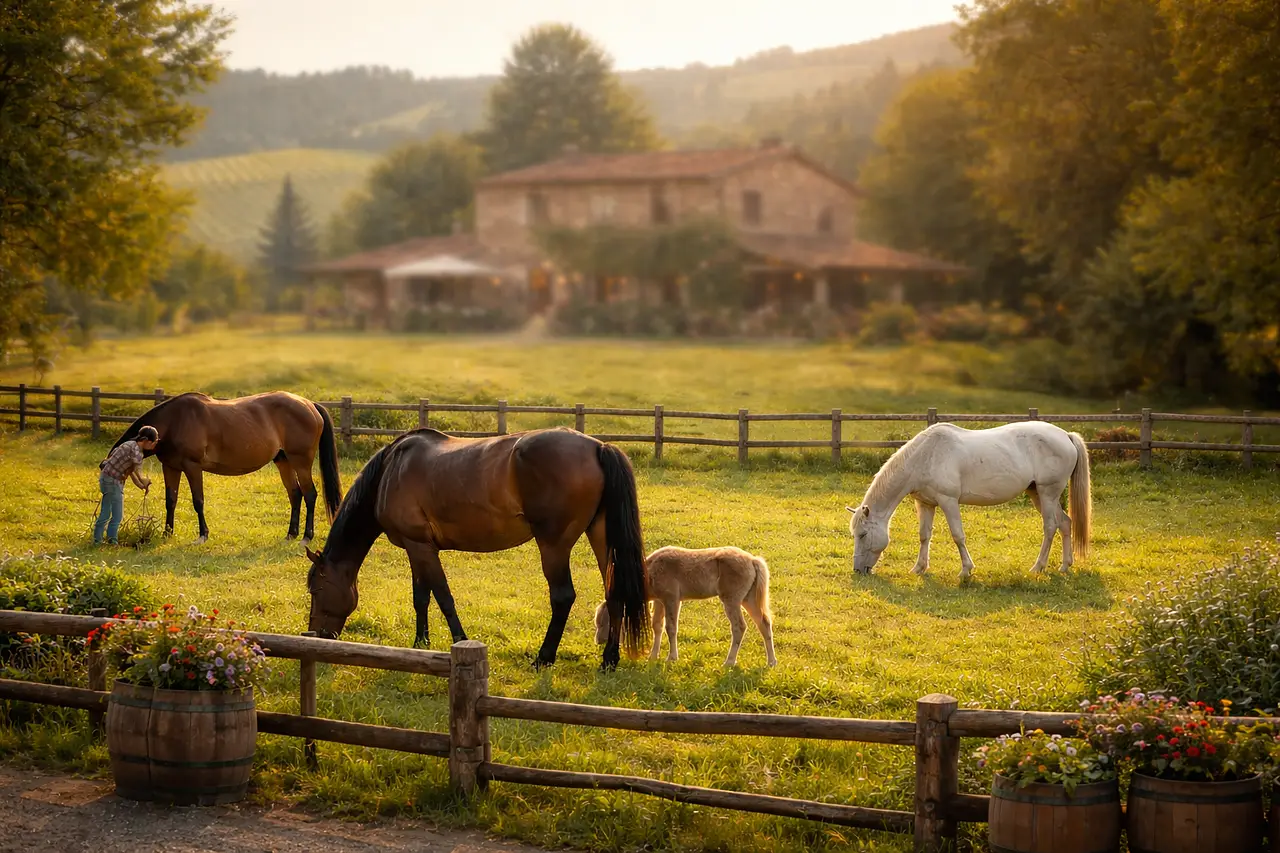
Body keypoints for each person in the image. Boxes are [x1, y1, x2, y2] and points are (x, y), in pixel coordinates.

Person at [94, 426, 158, 545]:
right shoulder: (137, 452)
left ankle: (97, 540)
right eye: (154, 442)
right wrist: (145, 481)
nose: (154, 445)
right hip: (113, 481)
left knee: (106, 511)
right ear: (147, 441)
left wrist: (140, 485)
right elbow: (138, 472)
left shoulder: (128, 444)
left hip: (105, 478)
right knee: (117, 516)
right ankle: (112, 542)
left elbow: (131, 471)